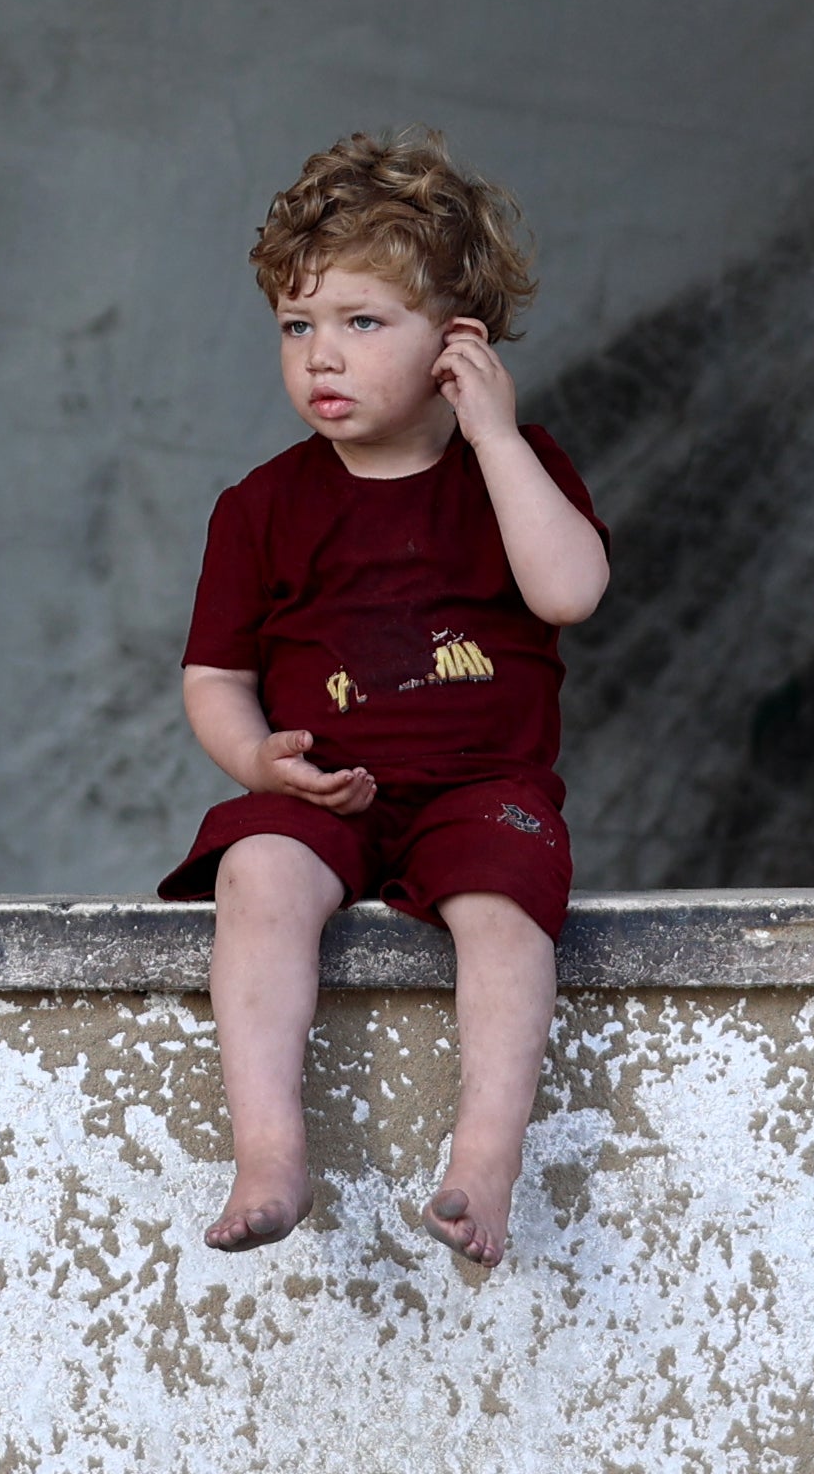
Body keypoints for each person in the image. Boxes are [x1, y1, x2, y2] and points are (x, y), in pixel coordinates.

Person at [161, 132, 609, 1265]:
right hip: (325, 795)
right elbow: (214, 677)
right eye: (298, 326)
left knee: (503, 916)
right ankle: (268, 1151)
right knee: (256, 871)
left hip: (482, 792)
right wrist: (260, 763)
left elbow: (572, 589)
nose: (324, 356)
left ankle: (484, 1160)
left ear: (459, 341)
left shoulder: (514, 465)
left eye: (364, 323)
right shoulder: (260, 507)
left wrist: (495, 434)